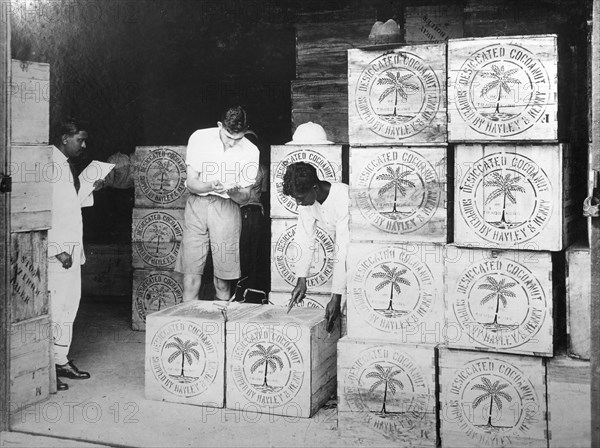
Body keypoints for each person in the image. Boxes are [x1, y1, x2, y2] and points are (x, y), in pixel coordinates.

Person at [175, 106, 259, 303]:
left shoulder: (251, 151)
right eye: (228, 136)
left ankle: (220, 329)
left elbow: (245, 197)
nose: (232, 143)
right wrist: (209, 185)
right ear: (220, 125)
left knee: (223, 280)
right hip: (197, 205)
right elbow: (192, 183)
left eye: (238, 138)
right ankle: (189, 327)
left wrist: (234, 192)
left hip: (227, 208)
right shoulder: (199, 138)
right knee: (190, 277)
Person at [48, 118, 101, 391]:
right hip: (60, 254)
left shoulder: (65, 164)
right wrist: (57, 251)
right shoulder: (49, 163)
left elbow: (68, 206)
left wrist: (89, 188)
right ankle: (47, 368)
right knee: (55, 309)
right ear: (65, 138)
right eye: (79, 140)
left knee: (68, 306)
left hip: (71, 249)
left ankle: (60, 359)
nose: (83, 145)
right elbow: (44, 210)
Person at [283, 161, 349, 332]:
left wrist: (336, 297)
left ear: (315, 188)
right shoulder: (308, 202)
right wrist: (301, 278)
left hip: (361, 249)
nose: (298, 203)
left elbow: (343, 249)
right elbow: (304, 239)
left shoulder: (343, 197)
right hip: (347, 250)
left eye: (301, 198)